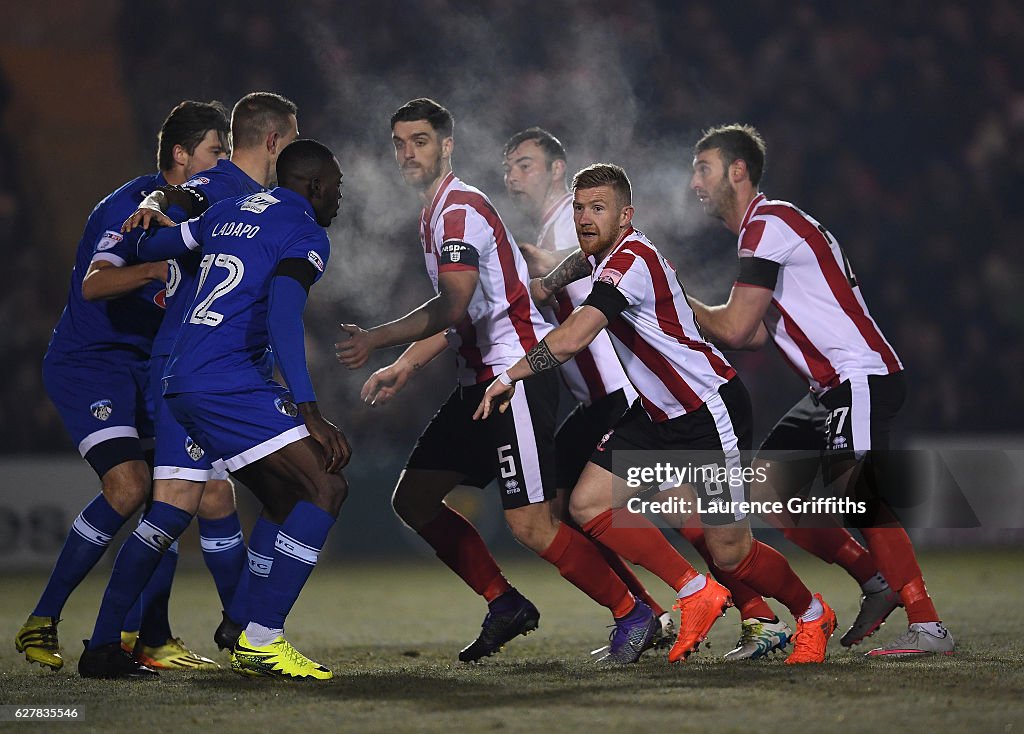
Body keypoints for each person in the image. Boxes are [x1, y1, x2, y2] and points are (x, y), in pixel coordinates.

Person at [337, 99, 667, 665]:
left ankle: (634, 612)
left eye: (420, 140)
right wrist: (407, 364)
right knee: (414, 498)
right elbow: (467, 313)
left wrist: (378, 339)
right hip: (478, 384)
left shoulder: (459, 209)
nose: (407, 152)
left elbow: (455, 303)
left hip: (513, 380)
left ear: (446, 146)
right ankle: (505, 603)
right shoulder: (435, 213)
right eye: (399, 142)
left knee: (533, 525)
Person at [476, 163, 838, 664]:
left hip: (708, 411)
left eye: (598, 208)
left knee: (731, 549)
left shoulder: (630, 264)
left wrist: (507, 376)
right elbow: (578, 263)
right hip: (655, 415)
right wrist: (547, 282)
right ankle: (694, 590)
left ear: (626, 215)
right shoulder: (603, 255)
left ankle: (812, 611)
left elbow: (575, 337)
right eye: (580, 207)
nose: (585, 217)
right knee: (587, 505)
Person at [79, 138, 348, 680]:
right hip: (227, 380)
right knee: (326, 482)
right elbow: (283, 316)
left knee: (276, 492)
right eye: (337, 187)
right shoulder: (306, 234)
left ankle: (236, 620)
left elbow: (153, 248)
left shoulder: (227, 212)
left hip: (178, 378)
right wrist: (310, 409)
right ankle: (261, 637)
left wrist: (152, 208)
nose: (340, 198)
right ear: (315, 186)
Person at [685, 123, 954, 657]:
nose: (694, 182)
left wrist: (671, 296)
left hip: (859, 375)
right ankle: (874, 581)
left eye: (704, 168)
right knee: (768, 490)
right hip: (828, 388)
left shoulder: (768, 223)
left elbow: (737, 328)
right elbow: (759, 334)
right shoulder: (763, 230)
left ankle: (928, 625)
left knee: (857, 492)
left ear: (738, 170)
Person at [14, 101, 230, 674]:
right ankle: (42, 619)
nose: (223, 162)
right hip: (91, 364)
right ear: (181, 156)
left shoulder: (203, 210)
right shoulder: (132, 208)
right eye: (215, 151)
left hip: (149, 366)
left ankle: (151, 638)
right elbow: (94, 284)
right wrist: (159, 270)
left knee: (176, 496)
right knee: (130, 487)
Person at [108, 92, 300, 658]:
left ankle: (233, 627)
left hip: (226, 369)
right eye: (292, 141)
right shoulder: (220, 185)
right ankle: (230, 628)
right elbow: (182, 193)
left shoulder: (261, 199)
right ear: (274, 141)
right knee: (186, 503)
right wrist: (154, 196)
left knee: (214, 501)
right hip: (201, 371)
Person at [502, 127, 674, 646]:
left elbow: (578, 273)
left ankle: (744, 610)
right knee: (569, 513)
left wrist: (528, 270)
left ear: (556, 170)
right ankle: (646, 613)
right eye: (508, 166)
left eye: (525, 164)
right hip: (593, 399)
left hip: (615, 395)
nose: (513, 175)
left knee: (679, 508)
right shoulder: (568, 231)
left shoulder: (569, 228)